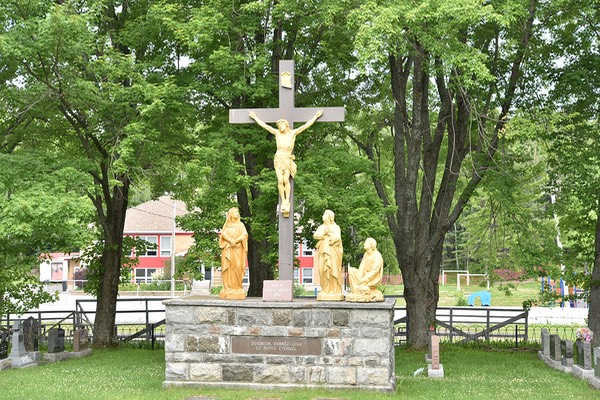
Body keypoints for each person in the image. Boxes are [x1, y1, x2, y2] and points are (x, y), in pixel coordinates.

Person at [249, 109, 323, 217]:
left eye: (281, 124)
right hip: (278, 159)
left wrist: (315, 117)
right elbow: (265, 126)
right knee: (280, 180)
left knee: (285, 179)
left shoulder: (293, 133)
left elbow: (305, 126)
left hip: (287, 159)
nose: (280, 126)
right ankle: (283, 200)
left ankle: (287, 200)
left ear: (286, 125)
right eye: (278, 125)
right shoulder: (277, 133)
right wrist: (255, 117)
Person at [313, 209, 344, 301]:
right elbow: (316, 235)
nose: (322, 216)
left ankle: (334, 290)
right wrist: (324, 233)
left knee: (332, 270)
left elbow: (337, 238)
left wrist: (329, 234)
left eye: (324, 214)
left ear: (329, 217)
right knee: (322, 269)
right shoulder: (321, 227)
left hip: (333, 252)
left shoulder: (336, 227)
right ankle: (325, 289)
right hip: (323, 252)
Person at [219, 207, 248, 300]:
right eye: (235, 212)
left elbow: (244, 235)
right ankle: (228, 288)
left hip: (238, 249)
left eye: (237, 212)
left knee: (238, 267)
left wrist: (236, 241)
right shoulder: (226, 225)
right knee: (228, 268)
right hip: (228, 249)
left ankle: (237, 287)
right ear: (230, 214)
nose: (237, 213)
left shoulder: (241, 225)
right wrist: (230, 240)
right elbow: (223, 234)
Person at [346, 237, 384, 302]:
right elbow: (361, 267)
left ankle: (363, 289)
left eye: (366, 243)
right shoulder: (366, 254)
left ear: (371, 245)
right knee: (352, 270)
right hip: (363, 276)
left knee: (364, 286)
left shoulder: (377, 256)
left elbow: (374, 271)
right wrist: (359, 276)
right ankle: (356, 291)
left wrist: (364, 279)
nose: (364, 244)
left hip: (371, 279)